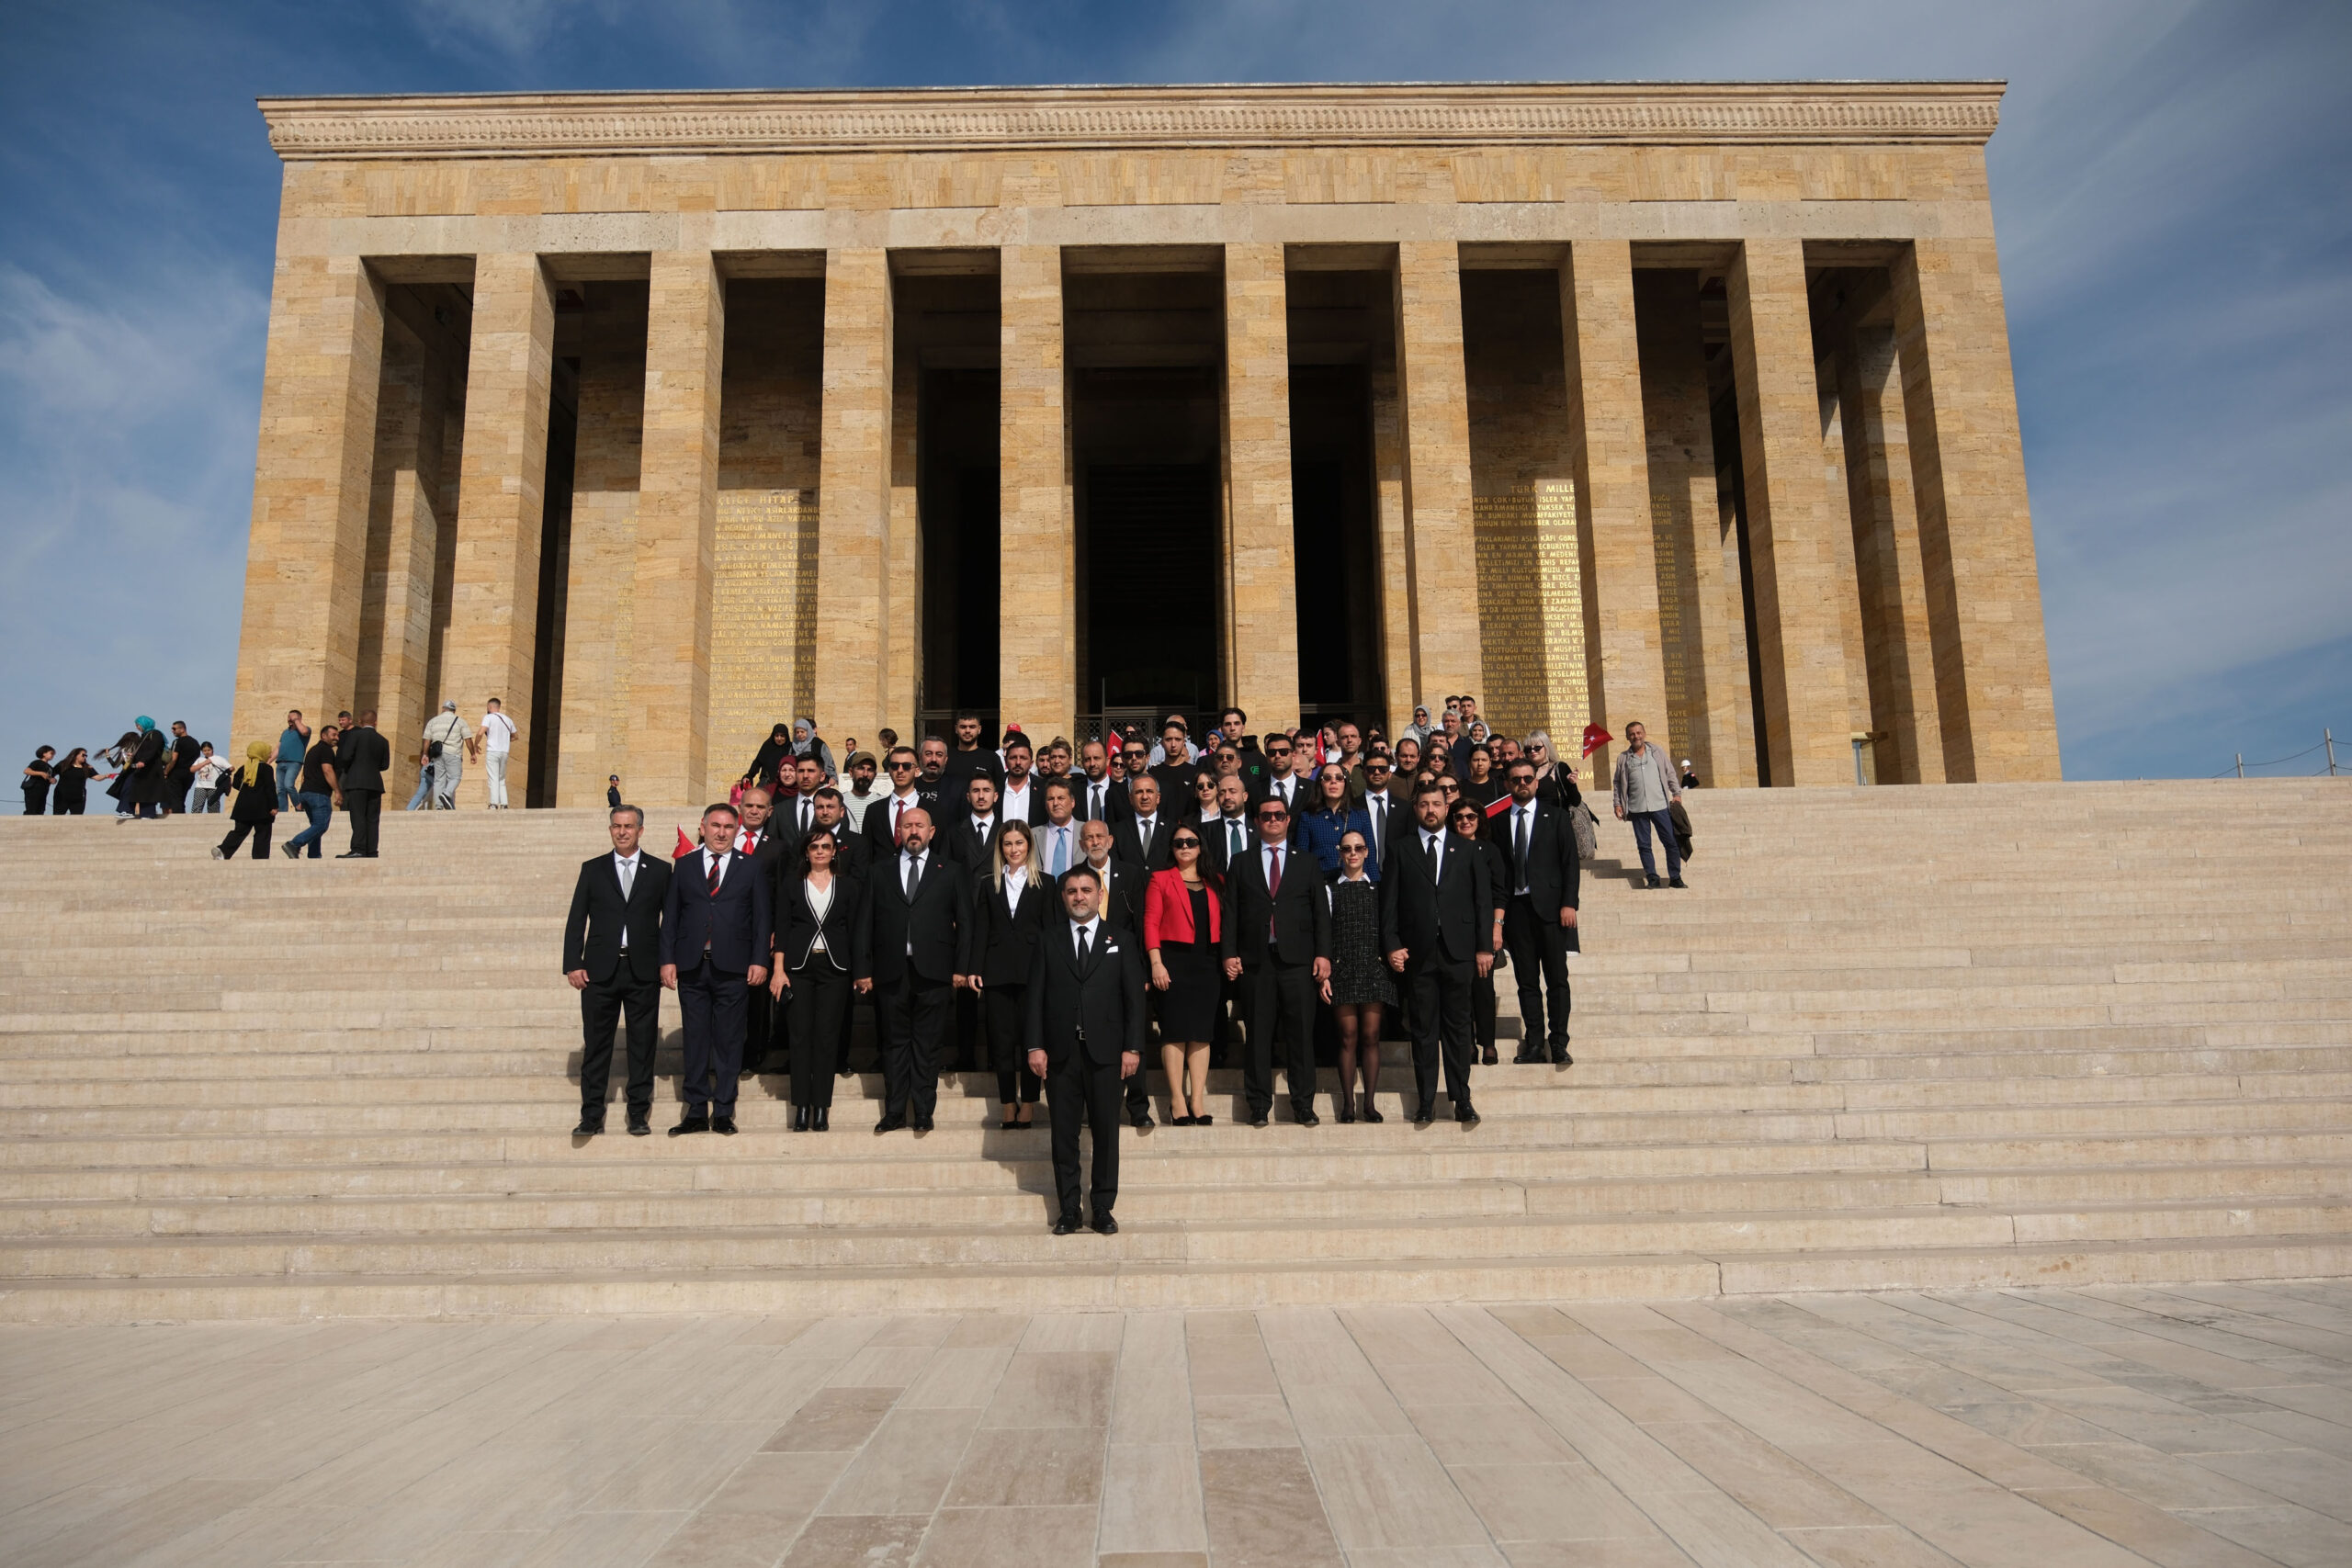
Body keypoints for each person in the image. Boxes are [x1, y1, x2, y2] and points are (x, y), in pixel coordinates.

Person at [1024, 864, 1146, 1235]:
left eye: (1086, 890)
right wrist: (1035, 1046)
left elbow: (1134, 1002)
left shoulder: (1121, 940)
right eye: (1072, 891)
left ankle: (1103, 1208)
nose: (1079, 896)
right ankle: (1068, 1209)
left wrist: (1133, 1048)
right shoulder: (1048, 940)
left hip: (1108, 1054)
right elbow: (1035, 999)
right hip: (1061, 1054)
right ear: (1063, 897)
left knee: (1107, 1132)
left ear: (1100, 895)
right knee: (1063, 1134)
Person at [1382, 782, 1493, 1126]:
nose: (1431, 810)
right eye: (1424, 805)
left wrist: (1484, 947)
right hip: (1419, 953)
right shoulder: (1400, 849)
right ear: (1415, 809)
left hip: (1459, 952)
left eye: (1437, 804)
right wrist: (1391, 943)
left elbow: (1482, 903)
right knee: (1424, 1030)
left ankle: (1462, 1099)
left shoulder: (1469, 849)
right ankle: (1426, 1100)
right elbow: (1389, 904)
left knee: (1459, 1030)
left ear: (1447, 808)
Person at [660, 803, 772, 1136]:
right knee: (695, 1040)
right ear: (703, 827)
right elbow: (672, 917)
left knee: (728, 1041)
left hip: (733, 968)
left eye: (728, 827)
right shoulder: (684, 865)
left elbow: (762, 919)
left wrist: (759, 960)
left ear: (736, 831)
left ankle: (723, 1110)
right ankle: (695, 1110)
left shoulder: (750, 867)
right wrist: (667, 959)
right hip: (692, 967)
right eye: (715, 826)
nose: (721, 833)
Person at [854, 807, 968, 1133]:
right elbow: (864, 924)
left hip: (934, 972)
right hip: (890, 971)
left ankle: (922, 1110)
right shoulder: (879, 871)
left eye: (920, 825)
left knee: (928, 1045)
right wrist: (863, 969)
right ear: (899, 832)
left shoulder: (951, 871)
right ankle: (893, 1112)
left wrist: (961, 968)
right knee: (893, 1044)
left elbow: (966, 924)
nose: (914, 831)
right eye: (908, 826)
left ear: (932, 832)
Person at [1222, 795, 1330, 1127]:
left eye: (1278, 815)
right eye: (1266, 815)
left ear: (1287, 820)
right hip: (1256, 962)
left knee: (1300, 1035)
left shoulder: (1307, 861)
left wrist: (1324, 954)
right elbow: (1231, 913)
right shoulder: (1241, 862)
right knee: (1258, 1035)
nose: (1272, 820)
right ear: (1257, 821)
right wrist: (1229, 952)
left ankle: (1303, 1105)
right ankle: (1258, 1104)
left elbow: (1320, 914)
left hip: (1298, 961)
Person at [564, 806, 671, 1136]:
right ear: (610, 830)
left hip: (643, 970)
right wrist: (573, 963)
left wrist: (668, 961)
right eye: (616, 826)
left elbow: (671, 923)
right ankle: (591, 1115)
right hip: (599, 971)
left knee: (642, 1046)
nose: (622, 832)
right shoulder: (593, 869)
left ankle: (638, 1113)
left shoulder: (660, 870)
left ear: (641, 830)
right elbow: (576, 918)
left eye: (628, 826)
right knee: (596, 1045)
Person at [769, 826, 863, 1132]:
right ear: (806, 853)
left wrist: (859, 971)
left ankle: (821, 1107)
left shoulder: (848, 885)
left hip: (835, 968)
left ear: (835, 852)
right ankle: (801, 1107)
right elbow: (782, 929)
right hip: (798, 968)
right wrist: (778, 970)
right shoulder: (791, 885)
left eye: (825, 847)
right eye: (814, 847)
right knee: (799, 1037)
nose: (820, 852)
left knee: (826, 1038)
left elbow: (856, 932)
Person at [1487, 758, 1579, 1065]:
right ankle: (1535, 1043)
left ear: (1536, 782)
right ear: (1507, 784)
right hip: (1517, 912)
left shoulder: (1556, 817)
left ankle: (1559, 1041)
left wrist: (1570, 903)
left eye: (1528, 778)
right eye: (1516, 779)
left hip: (1552, 910)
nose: (1522, 783)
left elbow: (1570, 863)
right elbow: (1498, 873)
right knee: (1527, 982)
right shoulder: (1498, 823)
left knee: (1557, 979)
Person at [966, 820, 1047, 1130]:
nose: (1014, 850)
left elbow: (1050, 932)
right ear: (1001, 848)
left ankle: (1028, 1103)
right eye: (1008, 844)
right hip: (997, 972)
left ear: (1029, 846)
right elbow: (981, 928)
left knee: (1031, 1040)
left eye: (1020, 843)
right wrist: (974, 967)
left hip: (1033, 973)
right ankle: (1007, 1103)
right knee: (1001, 1044)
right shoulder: (990, 883)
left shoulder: (1046, 883)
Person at [1145, 825, 1223, 1125]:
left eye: (1191, 842)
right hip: (1172, 962)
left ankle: (1197, 1101)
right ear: (1172, 848)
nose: (1185, 847)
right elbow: (1151, 922)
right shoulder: (1160, 879)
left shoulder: (1216, 881)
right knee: (1176, 1032)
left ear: (1200, 846)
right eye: (1179, 843)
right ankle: (1177, 1101)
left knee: (1201, 1034)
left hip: (1207, 963)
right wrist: (1156, 962)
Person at [1325, 829, 1394, 1122]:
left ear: (1367, 852)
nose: (1353, 853)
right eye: (1347, 849)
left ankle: (1369, 1103)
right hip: (1341, 967)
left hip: (1373, 967)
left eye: (1358, 848)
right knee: (1348, 1036)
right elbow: (1324, 932)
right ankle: (1348, 1104)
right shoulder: (1329, 889)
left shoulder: (1379, 888)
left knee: (1371, 1035)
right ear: (1339, 853)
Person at [1450, 798, 1510, 1065]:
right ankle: (1467, 1044)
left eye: (1471, 817)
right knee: (1460, 990)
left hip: (1484, 929)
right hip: (1454, 930)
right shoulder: (1447, 850)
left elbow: (1500, 893)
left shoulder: (1490, 850)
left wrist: (1496, 928)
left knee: (1483, 988)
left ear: (1479, 820)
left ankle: (1487, 1043)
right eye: (1460, 816)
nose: (1465, 821)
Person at [1611, 719, 1687, 889]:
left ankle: (1675, 877)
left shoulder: (1657, 752)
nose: (1636, 736)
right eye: (1632, 734)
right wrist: (1617, 804)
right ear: (1627, 737)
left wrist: (1677, 793)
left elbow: (1670, 772)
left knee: (1671, 842)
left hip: (1659, 805)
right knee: (1644, 845)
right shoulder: (1623, 758)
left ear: (1644, 734)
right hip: (1637, 808)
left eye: (1638, 732)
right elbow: (1617, 783)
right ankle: (1652, 877)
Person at [1295, 762, 1371, 880]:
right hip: (1320, 884)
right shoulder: (1308, 817)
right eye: (1327, 778)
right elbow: (1302, 858)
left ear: (1345, 783)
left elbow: (1370, 856)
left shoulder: (1361, 815)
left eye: (1339, 778)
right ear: (1320, 783)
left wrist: (1373, 886)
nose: (1333, 782)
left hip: (1355, 884)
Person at [280, 724, 341, 859]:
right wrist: (337, 790)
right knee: (321, 825)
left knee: (315, 826)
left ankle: (314, 855)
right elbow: (327, 770)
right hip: (318, 794)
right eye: (333, 735)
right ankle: (294, 844)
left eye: (337, 735)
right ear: (323, 736)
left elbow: (304, 775)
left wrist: (302, 798)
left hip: (306, 793)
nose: (337, 738)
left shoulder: (312, 750)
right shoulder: (326, 750)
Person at [210, 742, 280, 860]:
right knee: (262, 833)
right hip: (261, 808)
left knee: (239, 832)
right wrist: (274, 806)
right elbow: (270, 788)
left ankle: (223, 850)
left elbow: (237, 784)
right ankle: (260, 858)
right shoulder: (266, 768)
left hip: (243, 807)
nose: (269, 754)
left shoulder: (244, 768)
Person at [334, 712, 390, 857]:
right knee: (372, 818)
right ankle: (372, 850)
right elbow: (385, 765)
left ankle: (358, 849)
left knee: (358, 816)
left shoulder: (354, 736)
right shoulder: (383, 740)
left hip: (356, 781)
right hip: (375, 783)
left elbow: (345, 757)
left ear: (360, 721)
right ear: (375, 722)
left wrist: (352, 768)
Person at [863, 745, 927, 846]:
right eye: (895, 766)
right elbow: (866, 852)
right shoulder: (873, 810)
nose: (900, 770)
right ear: (889, 770)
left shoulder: (933, 809)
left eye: (906, 766)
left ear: (917, 771)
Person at [1114, 774, 1174, 871]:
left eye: (1149, 791)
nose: (1145, 797)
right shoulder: (1117, 831)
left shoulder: (1173, 829)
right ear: (1130, 798)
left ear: (1158, 797)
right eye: (1139, 792)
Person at [940, 711, 1001, 801]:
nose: (967, 731)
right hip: (949, 812)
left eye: (972, 727)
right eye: (963, 727)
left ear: (979, 729)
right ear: (956, 729)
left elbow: (1000, 789)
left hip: (980, 812)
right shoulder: (946, 756)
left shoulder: (991, 758)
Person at [421, 701, 469, 809]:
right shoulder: (460, 722)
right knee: (455, 777)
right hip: (453, 753)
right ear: (454, 710)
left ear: (443, 709)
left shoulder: (433, 721)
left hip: (438, 754)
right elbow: (468, 739)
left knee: (439, 780)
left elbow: (427, 740)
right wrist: (473, 753)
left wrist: (425, 754)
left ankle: (438, 806)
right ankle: (446, 794)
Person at [1033, 780, 1082, 881]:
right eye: (1050, 799)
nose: (1055, 803)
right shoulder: (1033, 835)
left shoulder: (1086, 832)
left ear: (1072, 802)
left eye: (1061, 798)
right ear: (1046, 805)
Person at [480, 697, 517, 808]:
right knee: (501, 779)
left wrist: (476, 743)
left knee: (493, 778)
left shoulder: (489, 717)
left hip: (493, 751)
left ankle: (494, 804)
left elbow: (480, 732)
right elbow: (516, 736)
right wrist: (506, 740)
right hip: (504, 752)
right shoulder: (508, 719)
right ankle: (504, 804)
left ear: (489, 706)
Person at [999, 736, 1043, 826]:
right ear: (1006, 761)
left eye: (1023, 758)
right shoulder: (996, 786)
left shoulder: (1042, 788)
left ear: (1031, 763)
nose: (1018, 762)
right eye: (1013, 757)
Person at [1075, 739, 1121, 824]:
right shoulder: (1074, 791)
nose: (1092, 764)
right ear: (1082, 763)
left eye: (1096, 758)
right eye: (1087, 759)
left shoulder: (1120, 791)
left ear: (1107, 761)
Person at [742, 724, 795, 793]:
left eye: (782, 736)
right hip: (766, 783)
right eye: (777, 736)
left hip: (785, 785)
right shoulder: (767, 746)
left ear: (786, 737)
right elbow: (758, 762)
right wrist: (749, 776)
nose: (779, 738)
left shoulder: (791, 748)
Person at [840, 750, 884, 829]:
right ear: (850, 772)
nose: (865, 774)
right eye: (861, 768)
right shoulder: (840, 801)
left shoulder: (882, 802)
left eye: (870, 770)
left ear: (875, 775)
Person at [276, 711, 311, 808]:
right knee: (280, 789)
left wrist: (296, 720)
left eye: (292, 717)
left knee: (288, 785)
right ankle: (282, 811)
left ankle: (298, 805)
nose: (289, 719)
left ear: (299, 718)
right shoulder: (285, 732)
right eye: (288, 717)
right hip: (280, 762)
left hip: (294, 762)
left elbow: (304, 732)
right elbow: (278, 748)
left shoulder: (305, 729)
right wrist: (269, 760)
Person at [162, 721, 198, 814]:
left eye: (174, 729)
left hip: (176, 774)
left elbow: (173, 759)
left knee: (175, 799)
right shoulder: (195, 743)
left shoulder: (178, 741)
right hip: (189, 774)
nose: (172, 731)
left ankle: (177, 823)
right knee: (182, 799)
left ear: (182, 729)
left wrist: (166, 772)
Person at [50, 749, 96, 816]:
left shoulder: (86, 767)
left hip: (78, 797)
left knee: (77, 818)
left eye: (86, 756)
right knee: (58, 816)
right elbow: (52, 773)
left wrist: (107, 776)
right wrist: (52, 779)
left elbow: (97, 777)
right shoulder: (63, 764)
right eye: (83, 755)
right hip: (61, 796)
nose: (85, 757)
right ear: (76, 755)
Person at [791, 717, 836, 781]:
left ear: (808, 731)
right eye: (797, 732)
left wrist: (832, 776)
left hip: (816, 780)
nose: (800, 734)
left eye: (802, 732)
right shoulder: (793, 745)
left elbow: (828, 760)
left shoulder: (818, 743)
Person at [186, 743, 226, 814]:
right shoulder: (200, 759)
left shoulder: (219, 759)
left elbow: (231, 767)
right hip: (200, 786)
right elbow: (192, 769)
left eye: (208, 750)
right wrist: (205, 763)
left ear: (212, 749)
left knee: (213, 808)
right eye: (204, 750)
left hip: (214, 787)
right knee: (196, 808)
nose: (207, 752)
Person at [21, 748, 56, 816]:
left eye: (53, 754)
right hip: (33, 788)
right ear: (44, 753)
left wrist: (53, 780)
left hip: (44, 790)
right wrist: (41, 773)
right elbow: (26, 771)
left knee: (41, 809)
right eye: (51, 753)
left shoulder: (50, 767)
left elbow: (51, 778)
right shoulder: (37, 762)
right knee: (32, 809)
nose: (52, 756)